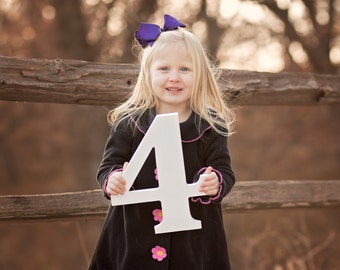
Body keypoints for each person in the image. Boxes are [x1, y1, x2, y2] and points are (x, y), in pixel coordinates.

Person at [89, 14, 235, 270]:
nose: (174, 77)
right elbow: (108, 166)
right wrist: (113, 179)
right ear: (148, 74)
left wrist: (213, 182)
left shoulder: (210, 126)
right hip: (135, 233)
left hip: (193, 241)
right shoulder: (129, 123)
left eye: (184, 69)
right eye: (164, 68)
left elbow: (224, 171)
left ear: (199, 74)